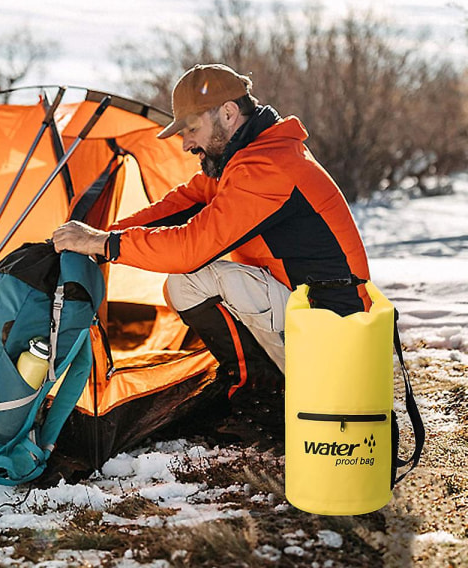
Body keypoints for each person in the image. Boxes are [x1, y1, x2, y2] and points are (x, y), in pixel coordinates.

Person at [52, 63, 370, 405]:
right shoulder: (243, 158)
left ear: (229, 113)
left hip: (333, 324)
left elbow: (192, 248)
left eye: (191, 129)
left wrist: (103, 244)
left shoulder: (268, 167)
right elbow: (180, 204)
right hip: (304, 305)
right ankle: (260, 386)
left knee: (194, 278)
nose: (186, 143)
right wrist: (103, 233)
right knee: (183, 285)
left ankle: (268, 395)